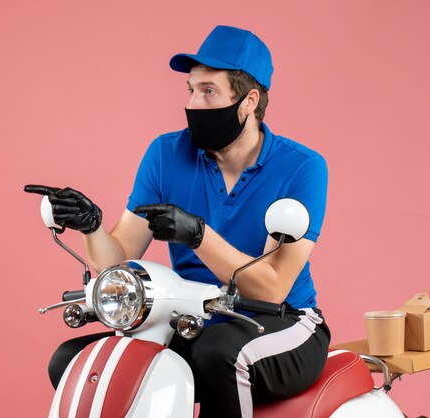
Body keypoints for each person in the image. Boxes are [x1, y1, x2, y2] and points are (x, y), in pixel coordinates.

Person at [29, 25, 330, 418]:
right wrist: (91, 227)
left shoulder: (302, 167)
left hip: (283, 323)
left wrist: (197, 235)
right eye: (190, 90)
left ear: (249, 101)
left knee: (218, 353)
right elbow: (117, 260)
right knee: (75, 361)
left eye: (208, 92)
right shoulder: (166, 154)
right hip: (194, 319)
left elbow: (270, 290)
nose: (193, 102)